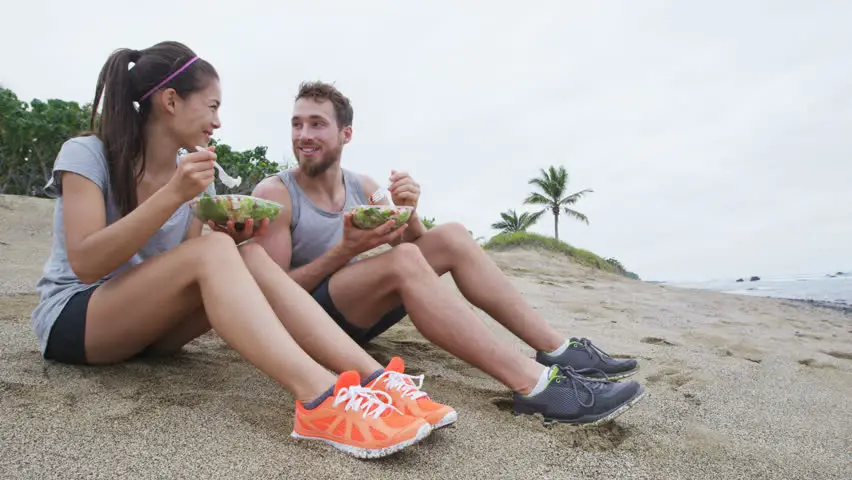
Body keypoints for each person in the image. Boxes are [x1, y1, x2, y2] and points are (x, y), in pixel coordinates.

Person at [29, 41, 447, 459]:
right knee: (214, 250)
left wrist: (233, 234)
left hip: (148, 331)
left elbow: (188, 274)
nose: (218, 121)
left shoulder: (196, 175)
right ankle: (321, 398)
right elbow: (85, 263)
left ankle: (375, 380)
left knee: (245, 252)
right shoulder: (88, 153)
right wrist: (175, 196)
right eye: (212, 107)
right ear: (170, 100)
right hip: (77, 322)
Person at [251, 81, 648, 426]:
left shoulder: (364, 186)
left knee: (453, 236)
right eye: (297, 123)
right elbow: (269, 295)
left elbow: (413, 249)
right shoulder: (277, 193)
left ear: (346, 133)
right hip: (307, 326)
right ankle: (536, 386)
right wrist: (345, 251)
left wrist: (412, 214)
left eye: (317, 124)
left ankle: (559, 352)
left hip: (359, 314)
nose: (303, 134)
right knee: (405, 262)